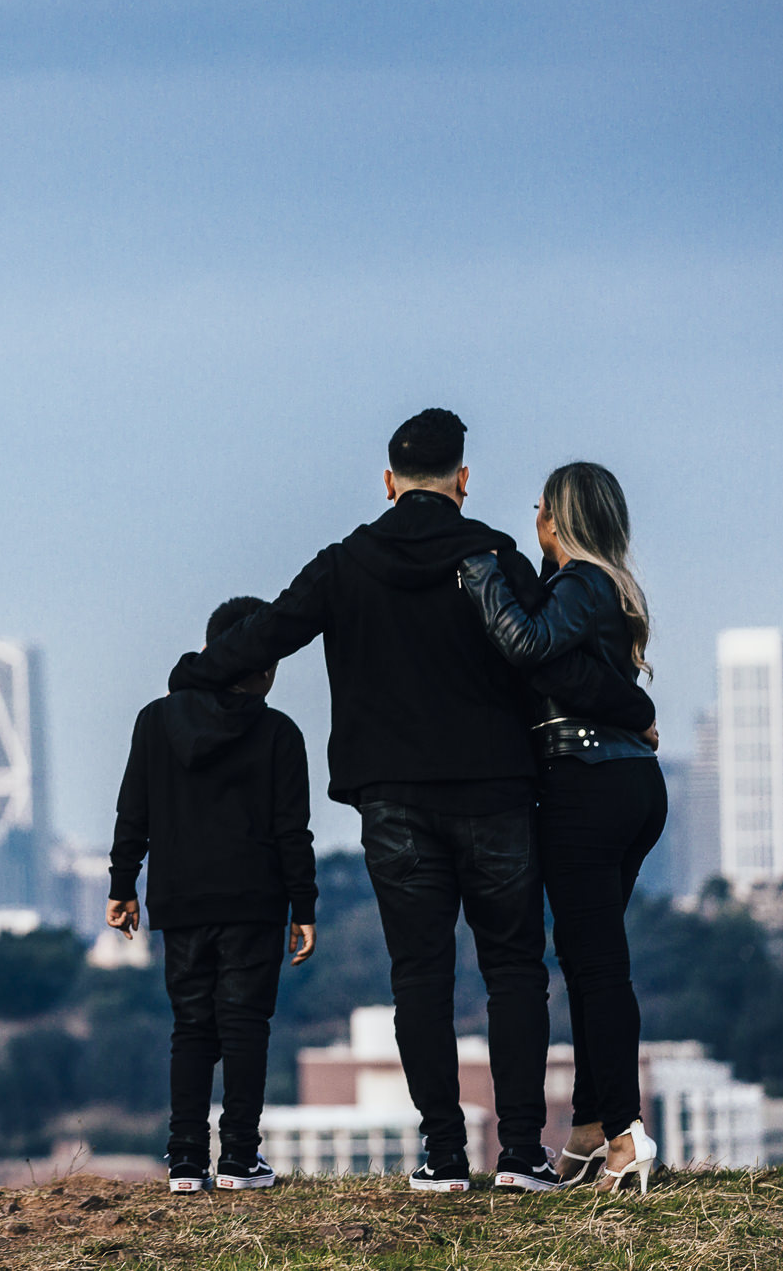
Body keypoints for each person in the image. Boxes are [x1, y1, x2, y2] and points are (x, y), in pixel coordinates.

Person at [169, 408, 655, 1193]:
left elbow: (267, 635)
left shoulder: (343, 564)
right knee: (514, 969)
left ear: (390, 482)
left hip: (393, 802)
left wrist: (190, 675)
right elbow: (551, 663)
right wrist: (632, 707)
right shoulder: (494, 555)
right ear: (463, 480)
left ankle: (443, 1154)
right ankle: (523, 1152)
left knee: (420, 975)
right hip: (497, 792)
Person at [459, 461, 665, 1194]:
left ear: (563, 519)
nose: (534, 519)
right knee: (589, 959)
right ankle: (588, 1125)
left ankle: (624, 1134)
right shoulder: (608, 587)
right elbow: (574, 673)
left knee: (597, 966)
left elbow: (527, 646)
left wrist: (482, 579)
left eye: (542, 507)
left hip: (588, 785)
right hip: (624, 784)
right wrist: (635, 713)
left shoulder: (580, 584)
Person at [109, 595, 318, 1195]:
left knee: (192, 1027)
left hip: (180, 901)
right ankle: (239, 1160)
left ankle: (183, 1162)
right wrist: (303, 906)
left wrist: (124, 884)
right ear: (257, 662)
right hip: (254, 900)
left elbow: (134, 811)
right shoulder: (278, 732)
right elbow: (291, 831)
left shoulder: (156, 720)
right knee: (246, 1024)